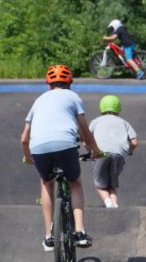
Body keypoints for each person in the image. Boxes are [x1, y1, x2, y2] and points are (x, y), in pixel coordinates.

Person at [20, 64, 104, 251]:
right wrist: (96, 151)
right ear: (70, 83)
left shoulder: (39, 100)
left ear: (48, 84)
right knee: (75, 182)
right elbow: (84, 131)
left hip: (38, 147)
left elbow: (24, 138)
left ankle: (49, 236)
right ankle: (80, 232)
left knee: (46, 182)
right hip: (65, 144)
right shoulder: (73, 97)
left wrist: (28, 158)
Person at [89, 95, 138, 208]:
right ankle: (114, 204)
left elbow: (86, 139)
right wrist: (130, 152)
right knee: (112, 185)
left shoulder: (95, 121)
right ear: (118, 109)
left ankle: (107, 201)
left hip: (101, 154)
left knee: (100, 184)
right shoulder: (124, 123)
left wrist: (92, 152)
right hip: (118, 155)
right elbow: (134, 142)